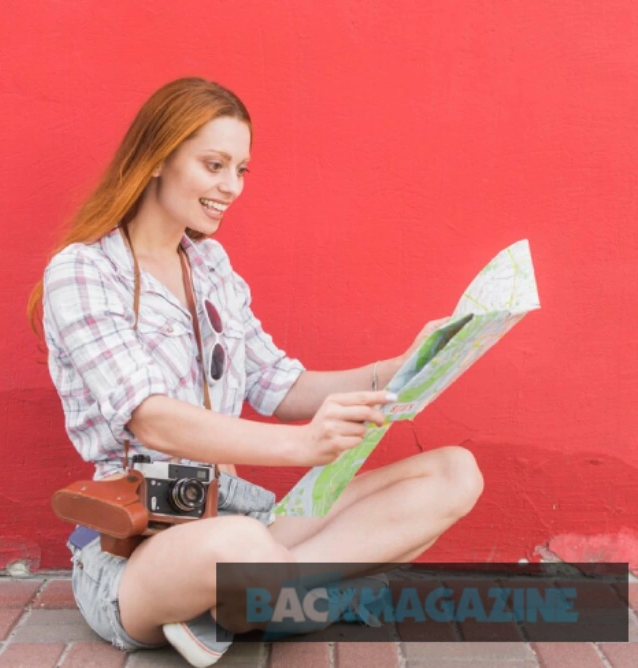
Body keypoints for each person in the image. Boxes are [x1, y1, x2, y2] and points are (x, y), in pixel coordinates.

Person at [27, 77, 484, 667]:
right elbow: (153, 419)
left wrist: (400, 367)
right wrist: (305, 448)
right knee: (240, 547)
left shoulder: (210, 265)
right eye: (214, 164)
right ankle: (292, 600)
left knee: (454, 474)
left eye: (241, 169)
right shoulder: (85, 271)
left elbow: (279, 384)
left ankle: (245, 607)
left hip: (243, 513)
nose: (230, 187)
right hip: (142, 544)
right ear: (157, 157)